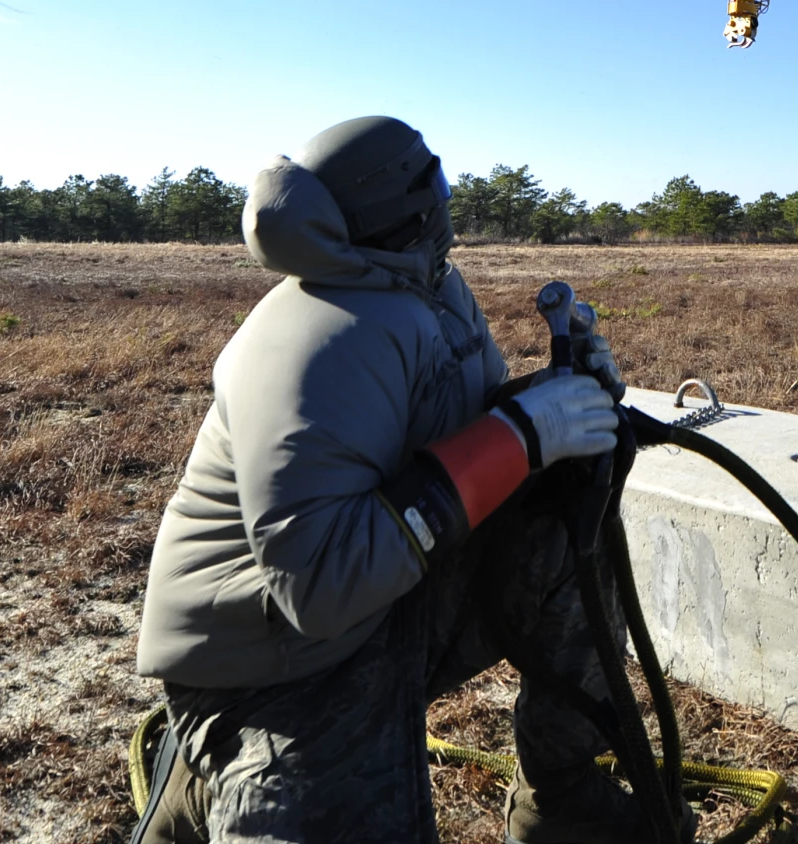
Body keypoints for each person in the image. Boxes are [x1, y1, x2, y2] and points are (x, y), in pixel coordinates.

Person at [135, 116, 667, 844]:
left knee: (568, 514)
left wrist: (554, 403)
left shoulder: (421, 289)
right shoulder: (318, 338)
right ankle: (214, 766)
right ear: (410, 206)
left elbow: (448, 433)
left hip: (380, 602)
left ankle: (562, 795)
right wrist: (518, 435)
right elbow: (320, 588)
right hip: (270, 667)